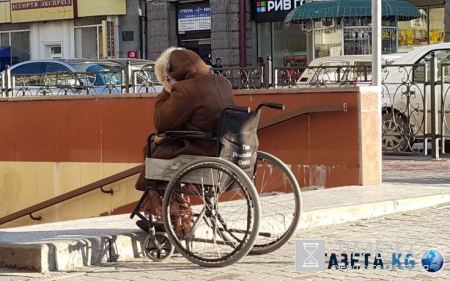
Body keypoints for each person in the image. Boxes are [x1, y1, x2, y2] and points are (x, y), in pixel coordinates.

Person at [135, 47, 236, 236]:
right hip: (224, 148)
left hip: (198, 151)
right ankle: (173, 210)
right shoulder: (222, 82)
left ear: (170, 73)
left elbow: (162, 122)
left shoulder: (185, 89)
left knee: (151, 151)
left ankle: (174, 214)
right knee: (156, 149)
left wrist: (167, 89)